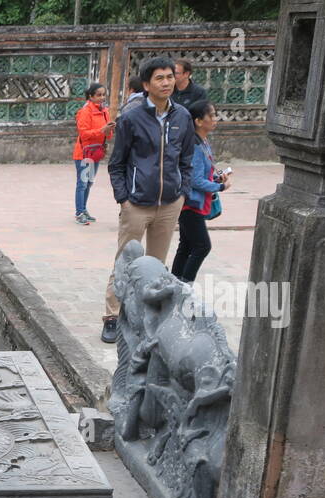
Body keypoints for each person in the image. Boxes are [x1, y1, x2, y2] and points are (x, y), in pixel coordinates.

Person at [101, 56, 195, 344]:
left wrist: (182, 192)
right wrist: (124, 199)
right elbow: (117, 163)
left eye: (170, 77)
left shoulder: (182, 117)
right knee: (126, 262)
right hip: (136, 204)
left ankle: (147, 319)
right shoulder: (132, 118)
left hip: (169, 205)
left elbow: (187, 159)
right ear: (146, 84)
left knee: (156, 266)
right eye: (159, 78)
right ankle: (113, 317)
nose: (166, 82)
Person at [171, 100, 230, 282]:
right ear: (198, 121)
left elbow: (201, 174)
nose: (214, 119)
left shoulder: (203, 142)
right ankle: (185, 284)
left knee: (187, 245)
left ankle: (175, 282)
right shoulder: (195, 146)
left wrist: (216, 178)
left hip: (195, 202)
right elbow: (195, 180)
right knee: (202, 246)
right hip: (191, 203)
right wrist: (219, 187)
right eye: (210, 115)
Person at [72, 82, 113, 225]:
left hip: (95, 153)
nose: (102, 98)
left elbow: (108, 135)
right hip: (84, 153)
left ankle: (84, 209)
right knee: (82, 183)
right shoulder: (85, 111)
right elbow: (83, 134)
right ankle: (79, 213)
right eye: (98, 95)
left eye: (103, 95)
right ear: (91, 96)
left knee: (89, 183)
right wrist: (102, 130)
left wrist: (109, 130)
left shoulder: (104, 111)